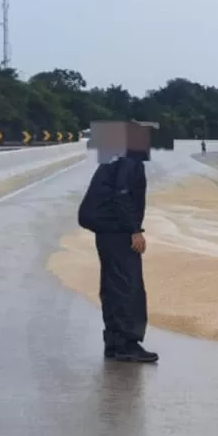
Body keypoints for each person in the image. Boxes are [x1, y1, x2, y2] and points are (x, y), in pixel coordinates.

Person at [77, 149, 157, 363]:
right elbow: (121, 194)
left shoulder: (115, 159)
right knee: (128, 286)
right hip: (118, 231)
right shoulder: (129, 162)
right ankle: (127, 344)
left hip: (107, 231)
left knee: (113, 285)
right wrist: (135, 230)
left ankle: (114, 343)